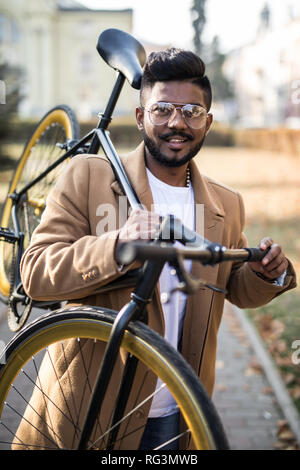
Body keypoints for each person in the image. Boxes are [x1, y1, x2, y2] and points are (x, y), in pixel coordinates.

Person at [17, 48, 296, 450]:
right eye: (162, 108)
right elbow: (38, 273)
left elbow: (233, 288)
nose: (176, 123)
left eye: (191, 112)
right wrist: (117, 245)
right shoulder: (89, 176)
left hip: (174, 415)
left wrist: (267, 272)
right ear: (140, 116)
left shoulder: (225, 203)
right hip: (86, 411)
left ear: (208, 122)